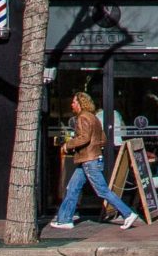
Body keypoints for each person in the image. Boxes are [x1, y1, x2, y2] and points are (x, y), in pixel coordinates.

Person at [47, 91, 138, 232]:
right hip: (89, 159)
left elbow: (84, 138)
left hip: (89, 160)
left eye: (74, 102)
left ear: (80, 103)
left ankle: (128, 213)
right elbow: (103, 139)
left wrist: (68, 145)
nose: (72, 105)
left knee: (102, 190)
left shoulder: (82, 118)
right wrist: (94, 148)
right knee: (72, 188)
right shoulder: (94, 118)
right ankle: (64, 220)